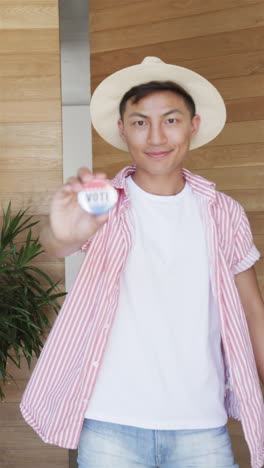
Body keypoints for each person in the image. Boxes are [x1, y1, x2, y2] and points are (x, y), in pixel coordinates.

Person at [20, 57, 264, 468]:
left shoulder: (224, 212)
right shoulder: (103, 203)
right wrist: (63, 234)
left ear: (193, 125)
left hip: (201, 426)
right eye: (139, 122)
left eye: (170, 120)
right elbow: (56, 246)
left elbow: (253, 310)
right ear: (122, 130)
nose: (156, 136)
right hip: (109, 424)